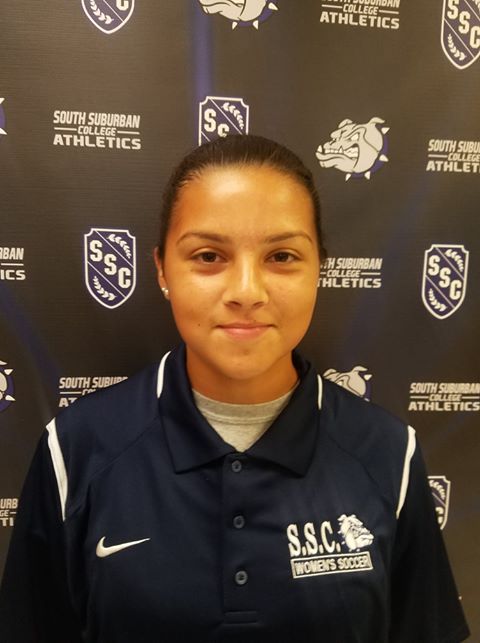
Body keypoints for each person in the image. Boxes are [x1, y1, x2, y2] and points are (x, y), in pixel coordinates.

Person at [0, 135, 470, 643]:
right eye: (208, 255)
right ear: (161, 269)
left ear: (320, 268)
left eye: (282, 256)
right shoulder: (75, 450)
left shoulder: (388, 454)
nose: (247, 292)